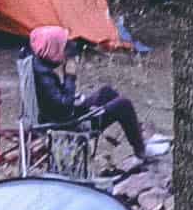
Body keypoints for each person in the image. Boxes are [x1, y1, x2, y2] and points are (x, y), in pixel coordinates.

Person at [28, 24, 148, 161]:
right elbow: (64, 107)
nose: (65, 51)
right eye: (61, 47)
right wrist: (70, 76)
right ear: (51, 48)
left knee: (106, 92)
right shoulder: (44, 79)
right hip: (68, 126)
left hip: (60, 116)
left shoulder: (38, 65)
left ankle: (136, 136)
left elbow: (59, 102)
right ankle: (141, 151)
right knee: (124, 104)